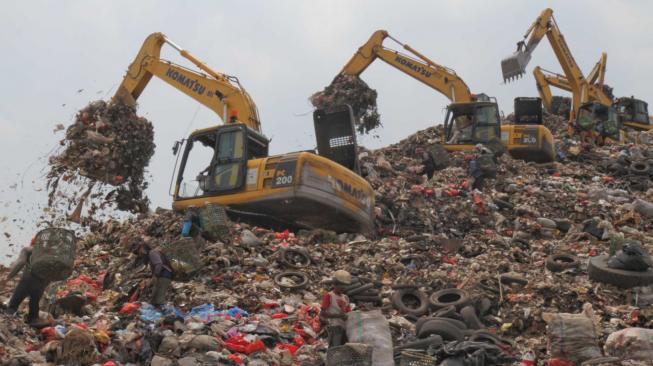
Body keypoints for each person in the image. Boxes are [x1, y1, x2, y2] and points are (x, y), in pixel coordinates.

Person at [4, 239, 50, 325]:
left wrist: (9, 277)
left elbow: (20, 263)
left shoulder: (28, 249)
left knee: (13, 304)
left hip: (27, 279)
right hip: (41, 283)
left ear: (32, 243)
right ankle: (33, 320)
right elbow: (51, 274)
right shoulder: (47, 256)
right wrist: (43, 285)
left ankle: (8, 318)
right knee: (34, 303)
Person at [320, 270, 352, 348]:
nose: (343, 287)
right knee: (335, 349)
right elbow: (323, 314)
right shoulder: (329, 296)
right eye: (341, 285)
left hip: (345, 328)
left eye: (345, 285)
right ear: (334, 284)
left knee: (344, 349)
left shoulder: (345, 298)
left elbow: (349, 313)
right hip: (334, 328)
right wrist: (338, 316)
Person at [136, 243, 174, 308]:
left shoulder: (152, 253)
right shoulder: (151, 254)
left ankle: (164, 313)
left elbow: (159, 264)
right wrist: (146, 275)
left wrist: (155, 275)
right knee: (154, 297)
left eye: (139, 251)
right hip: (162, 275)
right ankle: (157, 312)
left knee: (159, 297)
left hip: (164, 275)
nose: (140, 254)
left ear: (142, 249)